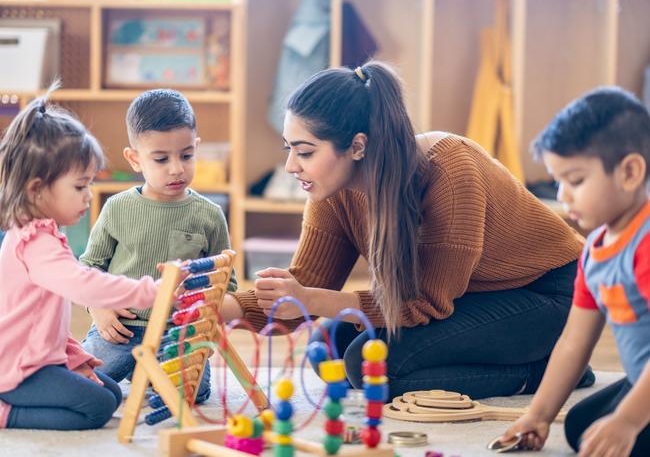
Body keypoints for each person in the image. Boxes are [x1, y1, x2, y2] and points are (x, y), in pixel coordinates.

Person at [218, 61, 592, 399]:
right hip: (471, 294)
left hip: (551, 294)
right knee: (329, 349)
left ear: (357, 146)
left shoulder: (450, 173)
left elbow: (424, 303)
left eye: (305, 152)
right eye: (289, 149)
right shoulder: (332, 191)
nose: (290, 166)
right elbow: (304, 286)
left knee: (376, 370)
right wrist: (224, 308)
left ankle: (547, 371)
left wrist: (311, 299)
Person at [498, 87, 650, 457]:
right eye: (558, 180)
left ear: (629, 172)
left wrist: (629, 420)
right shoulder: (595, 249)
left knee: (622, 434)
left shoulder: (645, 243)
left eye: (576, 180)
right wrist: (538, 415)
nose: (563, 196)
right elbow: (573, 342)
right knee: (585, 428)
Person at [0, 85, 160, 430]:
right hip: (18, 368)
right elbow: (85, 287)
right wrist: (150, 292)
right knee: (98, 407)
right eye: (79, 187)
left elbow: (42, 317)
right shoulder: (34, 243)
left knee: (112, 393)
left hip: (39, 359)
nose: (89, 196)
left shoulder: (41, 233)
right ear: (37, 189)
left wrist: (73, 356)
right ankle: (5, 412)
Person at [81, 89, 237, 405]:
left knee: (187, 396)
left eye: (186, 155)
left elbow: (227, 285)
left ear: (197, 148)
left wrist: (200, 320)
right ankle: (137, 370)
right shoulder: (117, 207)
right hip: (120, 329)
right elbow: (87, 268)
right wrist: (99, 308)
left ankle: (147, 374)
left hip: (177, 335)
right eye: (161, 159)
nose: (176, 168)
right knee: (81, 385)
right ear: (135, 159)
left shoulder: (210, 215)